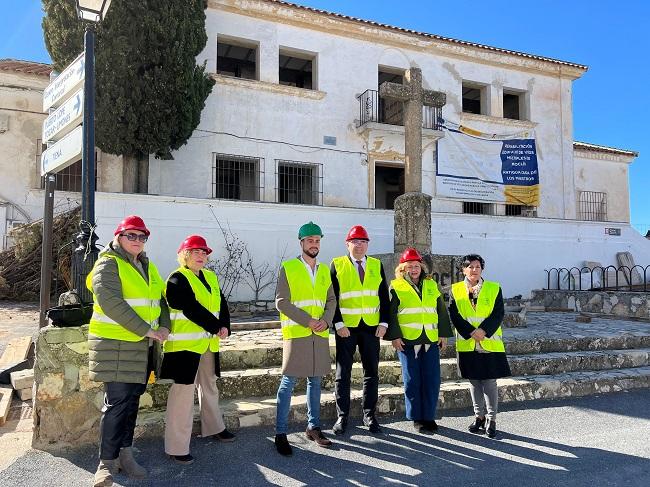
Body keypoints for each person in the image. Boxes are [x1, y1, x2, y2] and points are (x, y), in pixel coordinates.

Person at [87, 215, 170, 487]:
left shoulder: (147, 265)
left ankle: (125, 454)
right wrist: (147, 330)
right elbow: (111, 303)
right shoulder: (108, 264)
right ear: (119, 237)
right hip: (116, 345)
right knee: (116, 405)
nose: (137, 241)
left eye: (141, 236)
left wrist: (165, 327)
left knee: (132, 402)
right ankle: (105, 465)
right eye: (131, 235)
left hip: (142, 347)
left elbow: (161, 299)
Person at [160, 235, 235, 465]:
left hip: (208, 343)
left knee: (209, 386)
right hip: (184, 347)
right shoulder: (176, 279)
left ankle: (214, 427)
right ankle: (176, 446)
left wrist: (225, 326)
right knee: (183, 395)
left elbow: (221, 303)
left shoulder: (210, 276)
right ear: (185, 254)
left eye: (204, 252)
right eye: (196, 251)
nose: (201, 255)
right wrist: (215, 326)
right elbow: (190, 308)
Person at [274, 221, 336, 456]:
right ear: (301, 243)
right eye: (310, 240)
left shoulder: (323, 270)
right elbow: (281, 301)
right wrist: (307, 320)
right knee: (288, 383)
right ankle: (280, 433)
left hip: (318, 333)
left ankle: (314, 427)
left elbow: (331, 300)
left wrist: (326, 321)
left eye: (317, 240)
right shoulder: (288, 267)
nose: (314, 244)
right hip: (298, 333)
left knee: (316, 381)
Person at [385, 247, 453, 433]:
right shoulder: (396, 286)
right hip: (407, 341)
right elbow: (391, 314)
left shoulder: (431, 285)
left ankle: (429, 416)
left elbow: (440, 310)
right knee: (412, 380)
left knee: (431, 379)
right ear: (402, 269)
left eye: (416, 266)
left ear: (421, 267)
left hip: (430, 339)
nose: (414, 269)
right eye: (409, 266)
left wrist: (443, 334)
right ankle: (417, 417)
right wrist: (395, 337)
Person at [330, 225, 390, 435]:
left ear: (367, 245)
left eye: (363, 242)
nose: (359, 245)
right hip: (347, 328)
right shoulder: (337, 265)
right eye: (355, 241)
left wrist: (384, 322)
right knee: (342, 373)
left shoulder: (376, 264)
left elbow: (383, 296)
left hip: (371, 328)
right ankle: (342, 416)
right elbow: (332, 298)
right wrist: (338, 324)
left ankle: (369, 415)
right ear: (348, 244)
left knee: (371, 373)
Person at [448, 254, 511, 439]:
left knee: (490, 382)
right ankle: (479, 417)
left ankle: (492, 419)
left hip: (488, 341)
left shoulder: (494, 288)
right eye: (470, 266)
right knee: (474, 381)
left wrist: (483, 331)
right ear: (463, 269)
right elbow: (455, 315)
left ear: (482, 269)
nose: (474, 269)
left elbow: (498, 313)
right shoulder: (455, 289)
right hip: (468, 343)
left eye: (477, 266)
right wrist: (471, 332)